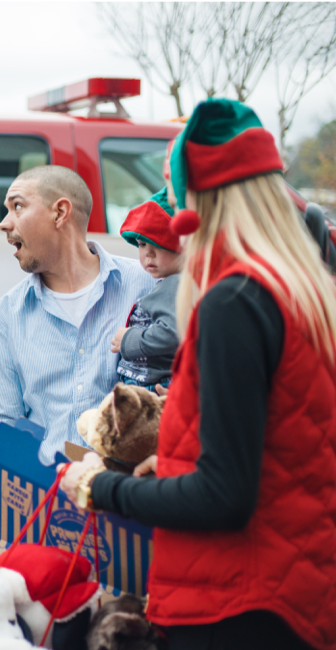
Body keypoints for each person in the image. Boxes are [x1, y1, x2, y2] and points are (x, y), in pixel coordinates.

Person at [60, 99, 336, 650]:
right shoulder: (301, 289)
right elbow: (277, 442)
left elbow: (224, 497)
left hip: (238, 602)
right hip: (291, 589)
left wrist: (100, 486)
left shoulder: (234, 300)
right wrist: (178, 461)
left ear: (195, 204)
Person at [0, 165, 155, 511]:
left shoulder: (147, 288)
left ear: (60, 212)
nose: (4, 222)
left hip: (137, 514)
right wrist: (10, 526)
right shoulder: (5, 317)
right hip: (45, 520)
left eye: (17, 206)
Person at [110, 188, 182, 391]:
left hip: (153, 386)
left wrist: (129, 339)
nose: (148, 254)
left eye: (157, 244)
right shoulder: (170, 281)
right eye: (142, 244)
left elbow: (172, 332)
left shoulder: (177, 284)